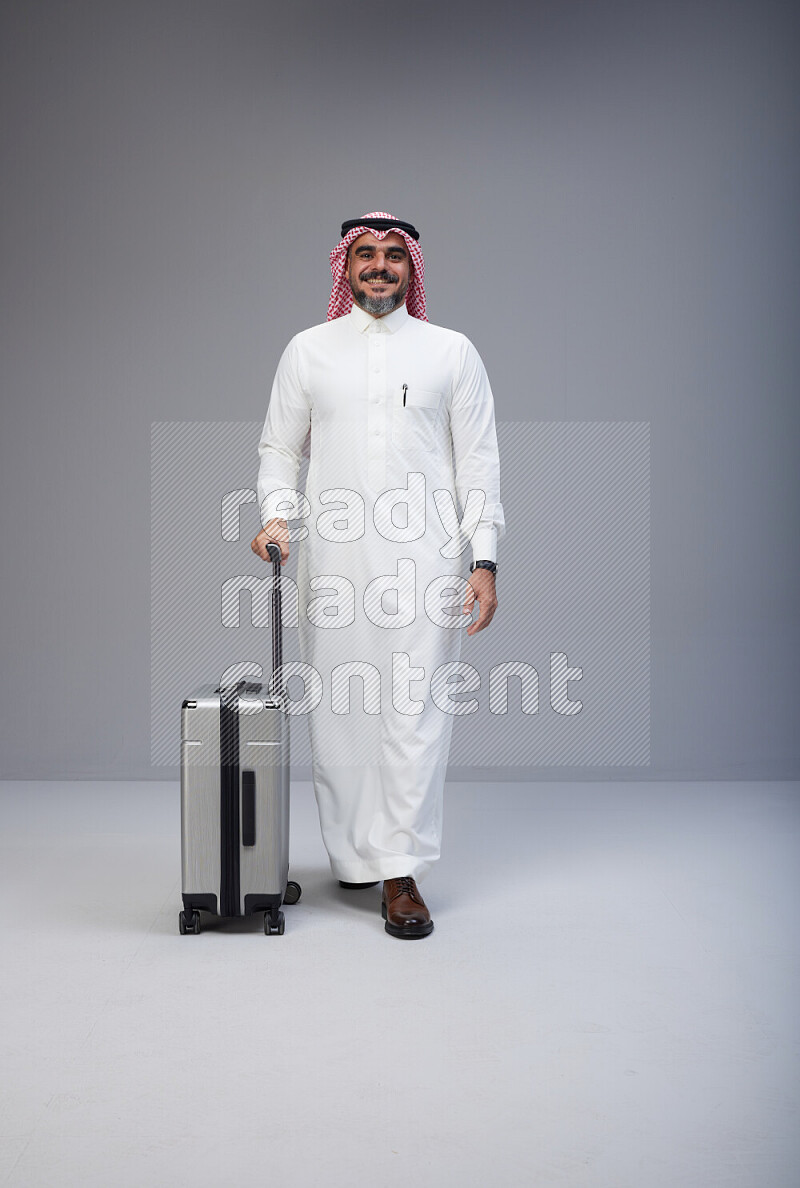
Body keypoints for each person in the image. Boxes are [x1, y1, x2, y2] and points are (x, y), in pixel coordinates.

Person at [251, 212, 504, 939]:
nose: (381, 267)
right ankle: (359, 856)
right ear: (345, 266)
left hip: (425, 560)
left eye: (394, 256)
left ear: (412, 267)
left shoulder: (451, 352)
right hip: (331, 561)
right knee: (341, 716)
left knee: (414, 713)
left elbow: (478, 465)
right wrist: (276, 516)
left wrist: (483, 559)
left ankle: (401, 872)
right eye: (366, 255)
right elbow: (278, 448)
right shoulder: (309, 350)